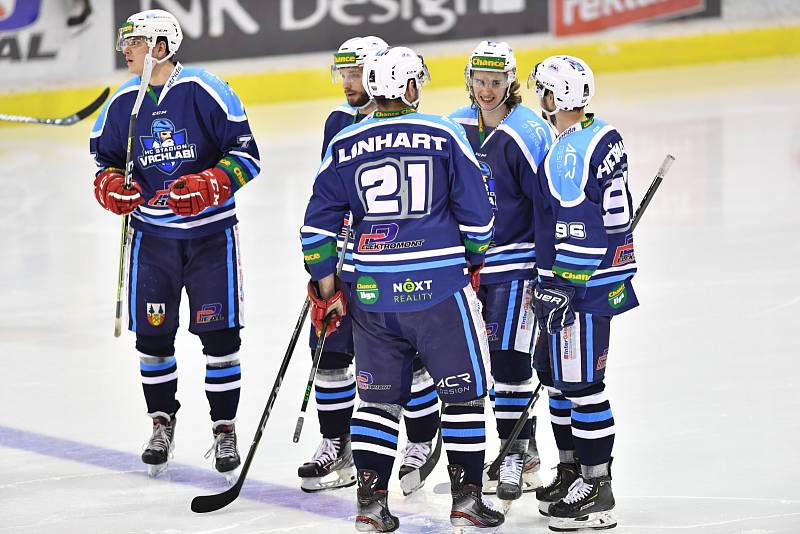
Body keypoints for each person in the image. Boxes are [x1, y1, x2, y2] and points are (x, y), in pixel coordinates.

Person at [300, 46, 504, 532]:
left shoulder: (347, 141)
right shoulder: (445, 132)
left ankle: (371, 505)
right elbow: (479, 216)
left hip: (372, 293)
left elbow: (315, 231)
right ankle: (467, 501)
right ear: (411, 88)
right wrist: (472, 260)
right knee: (463, 397)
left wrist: (327, 290)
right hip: (438, 289)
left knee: (376, 403)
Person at [90, 9, 260, 479]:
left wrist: (212, 182)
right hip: (153, 242)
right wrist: (108, 185)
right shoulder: (123, 102)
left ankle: (224, 429)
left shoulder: (205, 90)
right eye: (125, 40)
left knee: (221, 339)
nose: (125, 48)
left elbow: (248, 156)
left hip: (211, 239)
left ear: (161, 47)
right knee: (153, 339)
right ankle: (161, 422)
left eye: (135, 41)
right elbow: (104, 164)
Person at [298, 36, 442, 496]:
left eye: (355, 73)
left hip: (396, 262)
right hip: (346, 260)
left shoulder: (415, 124)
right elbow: (328, 194)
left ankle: (422, 438)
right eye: (341, 73)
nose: (347, 83)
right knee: (329, 348)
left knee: (408, 354)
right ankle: (335, 442)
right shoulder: (337, 123)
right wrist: (322, 262)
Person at [527, 55, 638, 531]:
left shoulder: (567, 153)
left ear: (557, 97)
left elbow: (582, 230)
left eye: (544, 92)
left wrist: (563, 285)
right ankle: (572, 469)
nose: (540, 99)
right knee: (557, 378)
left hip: (582, 286)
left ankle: (597, 485)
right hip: (599, 277)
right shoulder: (602, 134)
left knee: (583, 387)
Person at [449, 40, 554, 505]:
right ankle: (522, 451)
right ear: (469, 78)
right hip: (468, 265)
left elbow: (549, 205)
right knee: (483, 362)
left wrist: (552, 268)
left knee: (511, 360)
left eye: (496, 82)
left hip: (518, 263)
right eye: (480, 80)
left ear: (511, 82)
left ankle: (515, 454)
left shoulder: (528, 131)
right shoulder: (454, 124)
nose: (487, 90)